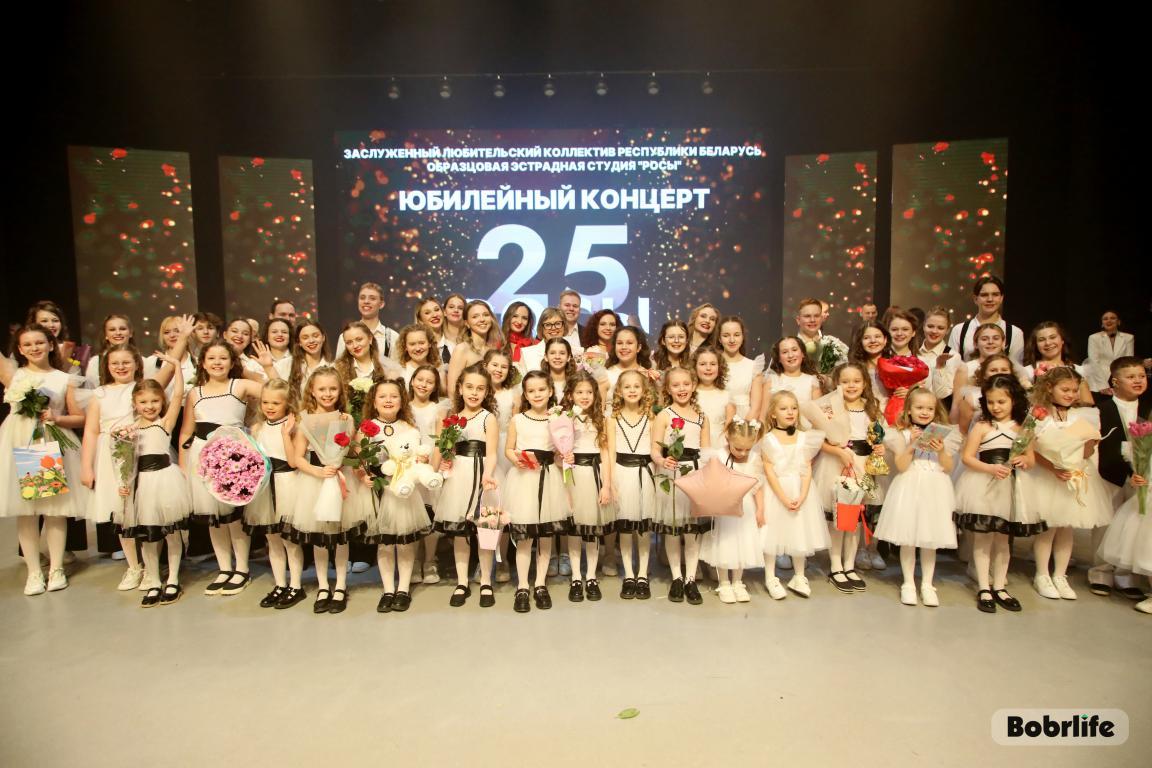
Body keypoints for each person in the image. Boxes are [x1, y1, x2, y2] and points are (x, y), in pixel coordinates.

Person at [0, 324, 88, 595]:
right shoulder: (15, 375)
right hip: (22, 442)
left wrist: (57, 417)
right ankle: (34, 572)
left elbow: (80, 417)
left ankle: (56, 568)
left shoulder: (63, 378)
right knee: (28, 511)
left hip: (49, 442)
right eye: (27, 344)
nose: (34, 348)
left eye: (39, 342)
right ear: (19, 349)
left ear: (51, 345)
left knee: (53, 509)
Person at [177, 342, 263, 596]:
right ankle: (224, 568)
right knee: (213, 518)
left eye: (223, 358)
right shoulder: (195, 393)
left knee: (233, 516)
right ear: (203, 363)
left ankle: (242, 569)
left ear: (232, 362)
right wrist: (183, 464)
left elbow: (276, 391)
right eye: (212, 358)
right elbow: (186, 431)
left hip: (233, 455)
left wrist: (261, 368)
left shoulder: (240, 385)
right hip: (202, 456)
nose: (217, 363)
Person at [953, 374, 1043, 613]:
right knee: (983, 538)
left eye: (1001, 402)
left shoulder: (1023, 427)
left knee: (1003, 540)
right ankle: (984, 586)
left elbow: (1031, 459)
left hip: (1011, 487)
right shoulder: (982, 426)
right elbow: (967, 457)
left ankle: (1000, 586)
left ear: (1014, 400)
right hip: (984, 485)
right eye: (991, 402)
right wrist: (990, 468)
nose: (996, 407)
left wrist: (1024, 461)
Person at [1028, 368, 1112, 601]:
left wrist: (1089, 444)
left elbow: (1086, 450)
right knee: (1048, 528)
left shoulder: (1081, 416)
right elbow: (1031, 448)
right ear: (1049, 388)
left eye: (1074, 391)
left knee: (1067, 527)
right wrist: (1054, 467)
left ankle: (1060, 575)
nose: (1070, 394)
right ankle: (1042, 574)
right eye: (1065, 390)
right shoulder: (1039, 415)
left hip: (1073, 475)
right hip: (1048, 476)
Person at [802, 362, 886, 594]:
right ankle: (836, 566)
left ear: (865, 383)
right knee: (839, 518)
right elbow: (817, 440)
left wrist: (879, 448)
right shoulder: (829, 408)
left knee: (856, 519)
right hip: (837, 464)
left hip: (863, 466)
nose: (851, 386)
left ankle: (850, 565)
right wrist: (837, 452)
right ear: (837, 384)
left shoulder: (872, 408)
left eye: (856, 381)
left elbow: (879, 436)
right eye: (845, 381)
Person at [282, 366, 361, 614]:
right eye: (322, 389)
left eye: (333, 389)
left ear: (340, 391)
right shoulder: (305, 420)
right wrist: (318, 472)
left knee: (340, 536)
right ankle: (323, 586)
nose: (328, 394)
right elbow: (297, 458)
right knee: (319, 538)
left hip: (339, 480)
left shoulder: (346, 419)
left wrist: (344, 464)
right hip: (314, 482)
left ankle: (341, 585)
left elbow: (354, 452)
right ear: (312, 392)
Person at [875, 388, 959, 606]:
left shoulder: (943, 434)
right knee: (908, 538)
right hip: (910, 485)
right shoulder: (901, 434)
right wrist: (911, 445)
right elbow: (902, 466)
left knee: (930, 539)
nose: (924, 412)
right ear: (909, 410)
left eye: (929, 408)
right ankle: (908, 583)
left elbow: (948, 467)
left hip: (935, 487)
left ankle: (928, 584)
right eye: (919, 407)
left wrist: (941, 450)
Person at [355, 379, 433, 614]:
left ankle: (403, 588)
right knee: (385, 544)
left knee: (405, 542)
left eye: (394, 396)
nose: (388, 400)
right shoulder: (366, 428)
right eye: (382, 396)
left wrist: (422, 460)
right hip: (379, 490)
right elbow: (359, 461)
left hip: (402, 491)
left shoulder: (409, 429)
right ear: (374, 401)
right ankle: (388, 589)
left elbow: (418, 457)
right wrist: (362, 476)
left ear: (402, 401)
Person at [118, 376, 189, 607]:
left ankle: (173, 579)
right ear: (134, 403)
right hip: (142, 484)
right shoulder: (129, 430)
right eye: (144, 402)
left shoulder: (165, 423)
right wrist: (123, 482)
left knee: (171, 532)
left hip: (165, 480)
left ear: (162, 402)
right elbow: (124, 461)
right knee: (148, 537)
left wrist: (176, 365)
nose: (149, 406)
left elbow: (178, 395)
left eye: (155, 401)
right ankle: (154, 581)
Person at [432, 364, 499, 608]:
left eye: (480, 388)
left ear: (486, 392)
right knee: (461, 533)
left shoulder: (488, 418)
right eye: (469, 387)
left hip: (482, 475)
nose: (474, 393)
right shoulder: (451, 419)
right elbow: (445, 450)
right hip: (459, 476)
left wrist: (488, 474)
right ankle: (462, 582)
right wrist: (442, 460)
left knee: (485, 531)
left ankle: (485, 580)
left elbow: (492, 452)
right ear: (460, 388)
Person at [504, 370, 568, 612]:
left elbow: (560, 450)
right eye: (531, 391)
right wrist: (515, 459)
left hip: (549, 478)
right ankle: (522, 585)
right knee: (524, 536)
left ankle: (540, 583)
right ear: (525, 394)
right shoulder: (518, 420)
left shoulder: (558, 418)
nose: (537, 394)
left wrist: (564, 455)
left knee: (545, 535)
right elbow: (508, 448)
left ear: (550, 391)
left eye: (541, 389)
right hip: (524, 479)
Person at [1090, 356, 1152, 598]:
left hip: (1143, 476)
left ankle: (1126, 575)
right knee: (1106, 522)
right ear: (1115, 381)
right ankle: (1100, 572)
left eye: (1141, 376)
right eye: (1131, 376)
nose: (1138, 381)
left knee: (1133, 524)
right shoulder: (1103, 409)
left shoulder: (1147, 408)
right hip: (1110, 473)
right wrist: (1125, 472)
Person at [650, 366, 712, 604]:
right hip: (672, 473)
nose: (682, 389)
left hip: (694, 473)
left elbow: (706, 450)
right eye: (676, 385)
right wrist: (661, 460)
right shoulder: (664, 415)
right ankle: (676, 577)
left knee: (692, 531)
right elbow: (654, 449)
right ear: (668, 389)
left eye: (686, 384)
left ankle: (690, 579)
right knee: (673, 529)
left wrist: (705, 476)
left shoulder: (702, 417)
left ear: (693, 385)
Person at [759, 392, 827, 599]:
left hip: (799, 490)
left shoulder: (805, 437)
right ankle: (770, 577)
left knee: (799, 531)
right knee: (771, 535)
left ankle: (799, 576)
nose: (790, 412)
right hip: (776, 492)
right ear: (773, 414)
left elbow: (806, 467)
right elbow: (769, 470)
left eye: (794, 408)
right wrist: (783, 497)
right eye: (783, 408)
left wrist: (803, 495)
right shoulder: (768, 439)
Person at [245, 379, 304, 609]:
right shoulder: (257, 428)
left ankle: (296, 585)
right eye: (265, 402)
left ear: (287, 403)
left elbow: (293, 461)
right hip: (265, 486)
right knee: (272, 538)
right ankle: (280, 583)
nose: (269, 407)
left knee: (290, 539)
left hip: (287, 482)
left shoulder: (294, 426)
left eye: (276, 403)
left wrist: (286, 434)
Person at [560, 371, 612, 602]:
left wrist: (606, 485)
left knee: (592, 529)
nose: (584, 396)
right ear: (570, 395)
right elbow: (558, 452)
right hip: (573, 475)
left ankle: (591, 576)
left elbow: (606, 453)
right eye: (579, 392)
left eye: (589, 392)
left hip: (594, 474)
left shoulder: (601, 419)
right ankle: (576, 576)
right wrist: (563, 459)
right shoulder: (563, 418)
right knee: (574, 528)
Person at [702, 418, 765, 603]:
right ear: (728, 438)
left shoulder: (754, 458)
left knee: (742, 543)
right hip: (725, 509)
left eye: (747, 449)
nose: (743, 453)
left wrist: (760, 509)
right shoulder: (719, 456)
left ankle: (738, 581)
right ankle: (724, 582)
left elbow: (758, 486)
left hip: (746, 508)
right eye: (738, 449)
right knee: (725, 543)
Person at [608, 369, 656, 599]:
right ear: (619, 391)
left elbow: (655, 449)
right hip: (622, 472)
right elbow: (610, 452)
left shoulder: (652, 417)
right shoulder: (612, 419)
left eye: (637, 386)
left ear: (644, 390)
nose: (632, 390)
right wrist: (610, 481)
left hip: (646, 474)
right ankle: (628, 574)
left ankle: (643, 574)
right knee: (626, 527)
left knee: (644, 528)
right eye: (627, 387)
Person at [407, 364, 451, 586]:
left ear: (435, 386)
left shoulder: (439, 409)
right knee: (413, 514)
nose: (423, 384)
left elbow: (440, 440)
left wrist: (432, 471)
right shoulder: (404, 407)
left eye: (429, 381)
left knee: (431, 512)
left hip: (432, 465)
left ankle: (430, 560)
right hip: (410, 465)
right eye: (420, 379)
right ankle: (414, 561)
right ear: (412, 381)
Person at [946, 276, 1024, 364]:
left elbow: (1017, 368)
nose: (990, 299)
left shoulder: (1015, 333)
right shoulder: (959, 330)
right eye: (984, 295)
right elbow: (950, 366)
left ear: (1001, 298)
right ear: (975, 299)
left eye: (995, 294)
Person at [445, 300, 502, 395]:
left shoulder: (494, 350)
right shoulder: (462, 349)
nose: (482, 319)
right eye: (475, 316)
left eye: (486, 315)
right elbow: (452, 390)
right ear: (467, 323)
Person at [334, 282, 400, 363]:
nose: (366, 301)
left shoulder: (393, 337)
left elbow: (398, 368)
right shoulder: (345, 337)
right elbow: (339, 367)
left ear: (381, 304)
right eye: (362, 298)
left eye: (372, 298)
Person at [717, 316, 764, 420]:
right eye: (726, 335)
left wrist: (744, 427)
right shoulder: (713, 365)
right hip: (718, 418)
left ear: (743, 337)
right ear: (720, 339)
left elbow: (756, 408)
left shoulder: (753, 366)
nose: (732, 340)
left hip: (746, 420)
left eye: (737, 335)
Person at [693, 345, 734, 448]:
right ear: (694, 367)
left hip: (719, 446)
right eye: (703, 364)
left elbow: (729, 427)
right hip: (695, 445)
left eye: (713, 364)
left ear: (719, 367)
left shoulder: (726, 395)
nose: (708, 368)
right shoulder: (690, 394)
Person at [1084, 310, 1136, 393]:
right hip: (1100, 379)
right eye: (1105, 319)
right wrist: (1102, 385)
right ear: (1102, 323)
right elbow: (1093, 362)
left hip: (1120, 377)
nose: (1109, 321)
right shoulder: (1094, 338)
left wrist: (1124, 381)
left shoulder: (1128, 337)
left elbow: (1128, 361)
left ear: (1118, 322)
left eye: (1112, 318)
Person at [517, 307, 567, 375]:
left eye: (558, 324)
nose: (553, 328)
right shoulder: (527, 354)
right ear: (541, 329)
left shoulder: (577, 352)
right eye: (548, 325)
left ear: (564, 326)